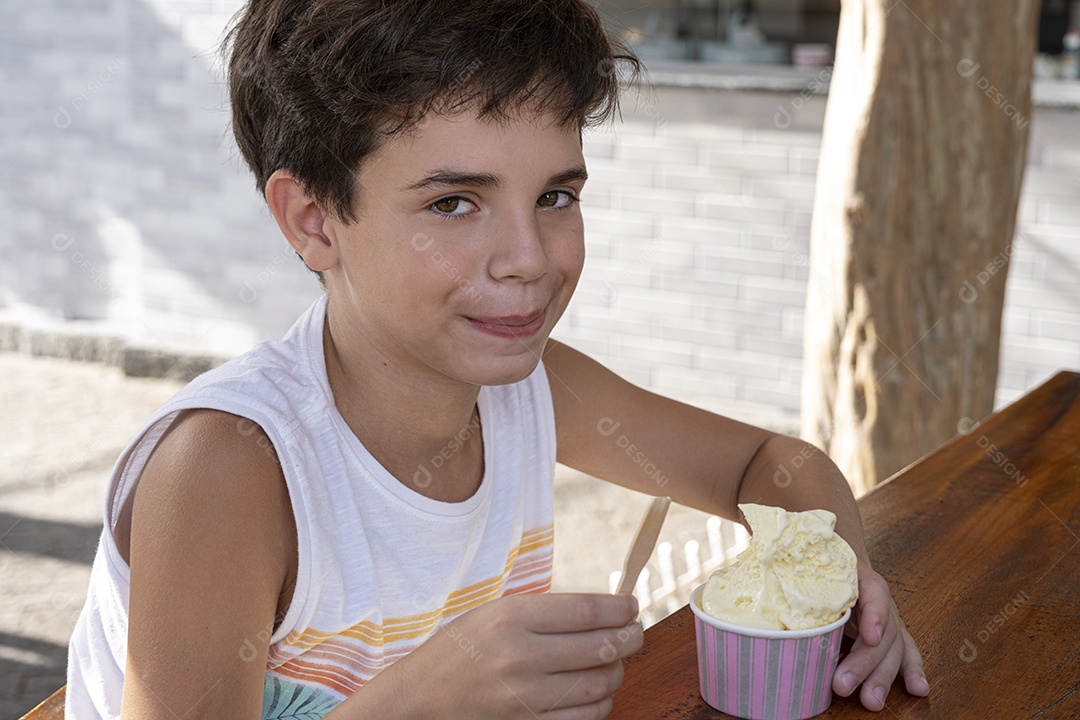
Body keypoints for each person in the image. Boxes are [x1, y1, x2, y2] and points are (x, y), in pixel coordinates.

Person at [65, 0, 930, 717]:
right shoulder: (229, 467)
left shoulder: (533, 388)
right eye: (452, 203)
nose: (530, 258)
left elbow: (774, 463)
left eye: (555, 195)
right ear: (313, 220)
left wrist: (840, 579)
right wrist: (430, 694)